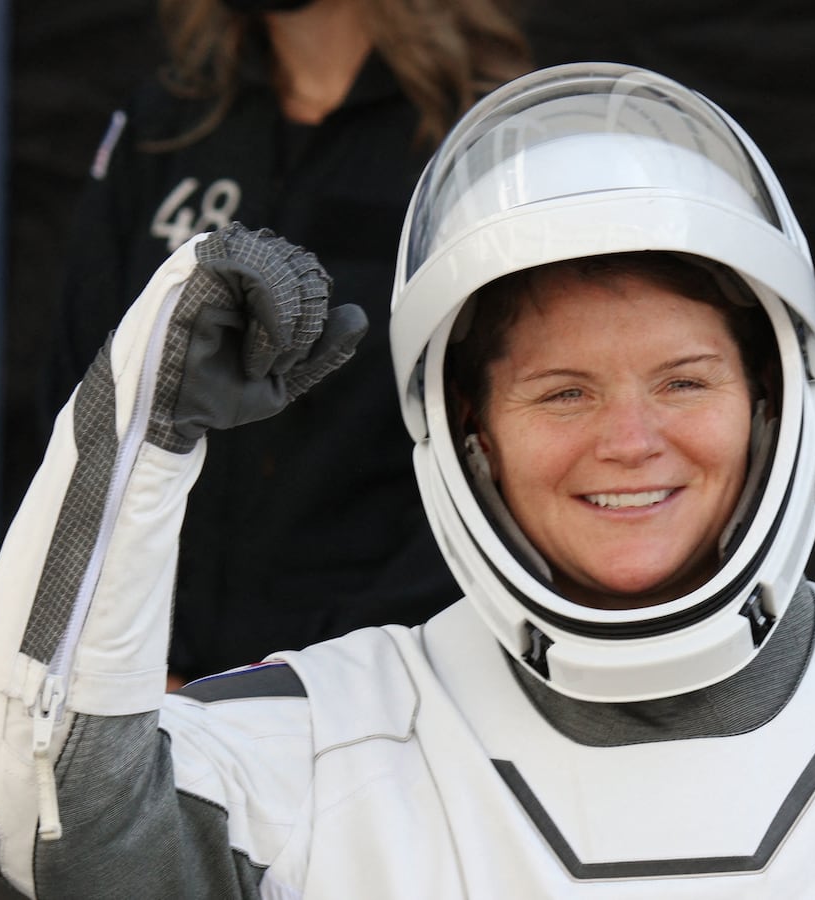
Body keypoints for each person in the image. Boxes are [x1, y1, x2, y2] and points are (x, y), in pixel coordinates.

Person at [0, 63, 815, 897]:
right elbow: (28, 821)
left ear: (772, 401)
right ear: (468, 431)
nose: (629, 440)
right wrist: (135, 439)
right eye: (561, 392)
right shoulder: (328, 734)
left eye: (684, 381)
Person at [45, 0, 531, 686]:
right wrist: (124, 652)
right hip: (153, 678)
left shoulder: (483, 136)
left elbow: (512, 436)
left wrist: (334, 676)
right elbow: (83, 394)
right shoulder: (169, 121)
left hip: (383, 681)